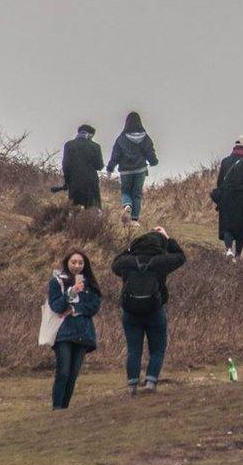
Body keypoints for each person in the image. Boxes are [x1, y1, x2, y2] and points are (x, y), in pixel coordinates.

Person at [111, 227, 186, 394]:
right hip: (154, 310)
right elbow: (181, 257)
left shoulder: (127, 262)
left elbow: (114, 264)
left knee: (133, 349)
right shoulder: (161, 262)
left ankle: (132, 386)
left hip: (130, 312)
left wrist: (131, 247)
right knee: (157, 349)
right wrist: (167, 238)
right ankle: (151, 382)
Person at [47, 250, 102, 410]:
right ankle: (57, 407)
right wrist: (71, 292)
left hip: (83, 332)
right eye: (74, 262)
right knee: (63, 372)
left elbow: (94, 306)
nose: (77, 266)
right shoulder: (57, 282)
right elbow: (56, 306)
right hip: (63, 333)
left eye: (80, 263)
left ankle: (65, 408)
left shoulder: (90, 283)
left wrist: (75, 308)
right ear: (67, 263)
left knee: (73, 374)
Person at [107, 111, 158, 226]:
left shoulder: (121, 139)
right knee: (137, 194)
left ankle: (127, 204)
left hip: (125, 171)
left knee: (126, 191)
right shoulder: (145, 137)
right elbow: (150, 152)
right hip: (140, 170)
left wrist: (110, 168)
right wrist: (154, 162)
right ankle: (134, 220)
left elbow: (115, 156)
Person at [60, 124, 104, 209]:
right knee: (93, 210)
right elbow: (99, 166)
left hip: (74, 181)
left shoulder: (69, 145)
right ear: (90, 135)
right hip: (91, 182)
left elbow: (65, 165)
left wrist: (67, 182)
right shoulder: (95, 146)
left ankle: (76, 222)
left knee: (74, 210)